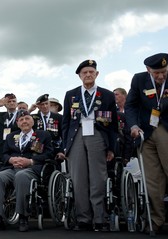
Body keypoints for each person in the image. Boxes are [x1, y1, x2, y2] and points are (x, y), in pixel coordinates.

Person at [62, 60, 118, 231]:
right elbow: (65, 122)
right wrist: (66, 146)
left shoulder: (107, 95)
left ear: (96, 74)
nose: (88, 74)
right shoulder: (71, 94)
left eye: (91, 72)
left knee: (98, 178)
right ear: (80, 76)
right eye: (84, 72)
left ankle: (100, 218)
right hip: (77, 135)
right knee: (78, 178)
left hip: (97, 134)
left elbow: (113, 124)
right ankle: (83, 218)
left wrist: (111, 148)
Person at [0, 110, 53, 232]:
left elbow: (49, 154)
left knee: (21, 176)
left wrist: (30, 161)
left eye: (27, 118)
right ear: (17, 123)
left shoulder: (43, 135)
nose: (24, 121)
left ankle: (23, 217)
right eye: (21, 120)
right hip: (12, 168)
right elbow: (4, 155)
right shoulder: (10, 136)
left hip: (32, 169)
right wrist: (10, 159)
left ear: (32, 121)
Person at [125, 53, 168, 233]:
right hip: (145, 133)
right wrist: (133, 125)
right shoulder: (139, 79)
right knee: (153, 180)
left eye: (164, 72)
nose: (160, 76)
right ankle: (157, 220)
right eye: (157, 72)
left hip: (165, 130)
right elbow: (131, 105)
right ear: (148, 70)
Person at [30, 94, 64, 159]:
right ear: (38, 106)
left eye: (46, 104)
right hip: (37, 148)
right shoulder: (33, 117)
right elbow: (19, 123)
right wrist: (30, 110)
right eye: (42, 104)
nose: (45, 106)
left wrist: (61, 151)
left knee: (55, 167)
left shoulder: (59, 117)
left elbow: (63, 136)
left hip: (54, 148)